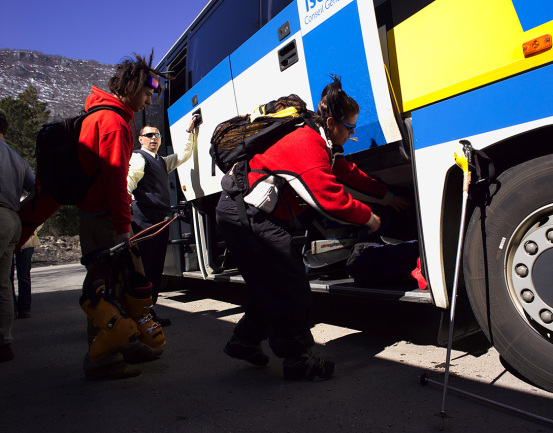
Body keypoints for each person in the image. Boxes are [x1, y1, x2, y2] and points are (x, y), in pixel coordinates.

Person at [216, 76, 409, 381]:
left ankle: (243, 341)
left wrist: (388, 197)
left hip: (246, 213)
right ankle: (297, 360)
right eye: (350, 128)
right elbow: (329, 197)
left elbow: (349, 173)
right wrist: (369, 218)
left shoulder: (323, 142)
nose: (352, 134)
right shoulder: (306, 141)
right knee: (291, 285)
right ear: (332, 123)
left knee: (272, 284)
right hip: (246, 215)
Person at [77, 51, 171, 380]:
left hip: (95, 215)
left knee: (117, 286)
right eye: (147, 94)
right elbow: (115, 179)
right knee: (109, 288)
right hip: (104, 218)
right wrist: (122, 227)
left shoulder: (102, 115)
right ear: (131, 86)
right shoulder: (113, 121)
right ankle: (104, 357)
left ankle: (126, 343)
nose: (147, 101)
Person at [127, 115, 200, 326]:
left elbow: (184, 155)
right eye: (149, 135)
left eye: (157, 135)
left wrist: (189, 132)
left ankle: (149, 313)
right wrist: (124, 209)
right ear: (140, 139)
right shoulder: (139, 158)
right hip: (144, 221)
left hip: (160, 221)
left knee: (155, 268)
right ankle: (139, 315)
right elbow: (129, 182)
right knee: (145, 269)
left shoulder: (160, 161)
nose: (154, 138)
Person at [0, 108, 36, 362]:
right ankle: (4, 342)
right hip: (11, 218)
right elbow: (36, 189)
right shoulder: (16, 158)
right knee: (2, 284)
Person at [11, 226, 41, 319]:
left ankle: (24, 308)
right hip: (8, 240)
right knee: (7, 277)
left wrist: (34, 229)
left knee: (24, 276)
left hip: (26, 239)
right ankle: (11, 309)